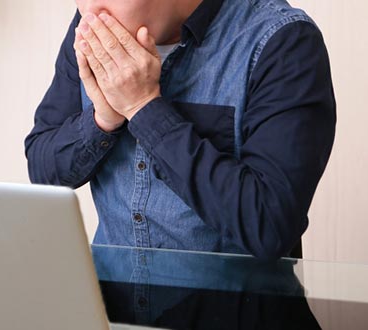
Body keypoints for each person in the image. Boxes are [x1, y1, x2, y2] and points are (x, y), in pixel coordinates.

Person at [24, 0, 336, 259]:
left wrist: (144, 108)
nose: (89, 14)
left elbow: (270, 227)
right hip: (113, 312)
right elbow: (43, 169)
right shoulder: (96, 20)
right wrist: (102, 120)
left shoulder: (282, 41)